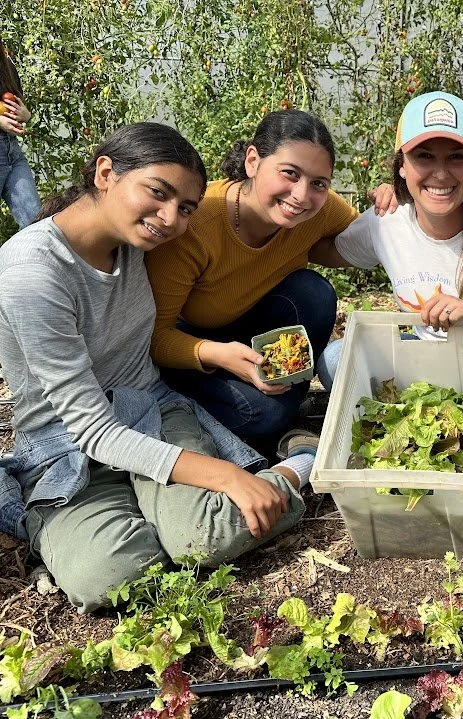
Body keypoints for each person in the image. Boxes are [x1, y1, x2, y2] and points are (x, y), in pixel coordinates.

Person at [0, 124, 315, 613]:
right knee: (107, 577)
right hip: (66, 443)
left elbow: (253, 220)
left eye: (186, 207)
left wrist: (389, 202)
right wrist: (226, 477)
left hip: (151, 411)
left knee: (210, 537)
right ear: (105, 172)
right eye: (157, 193)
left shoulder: (139, 244)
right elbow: (91, 429)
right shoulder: (32, 272)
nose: (170, 219)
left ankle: (303, 462)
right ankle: (113, 523)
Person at [315, 91, 463, 439]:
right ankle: (448, 425)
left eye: (457, 157)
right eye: (424, 156)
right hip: (417, 359)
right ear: (402, 165)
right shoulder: (386, 222)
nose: (441, 173)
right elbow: (323, 250)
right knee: (334, 361)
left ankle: (438, 426)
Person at [146, 110, 381, 442]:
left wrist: (388, 205)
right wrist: (218, 354)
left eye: (318, 183)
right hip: (190, 347)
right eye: (289, 173)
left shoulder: (320, 208)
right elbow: (153, 338)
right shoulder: (196, 227)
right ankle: (201, 408)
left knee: (314, 292)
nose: (301, 195)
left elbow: (367, 238)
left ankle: (285, 390)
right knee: (262, 416)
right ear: (253, 161)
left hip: (248, 323)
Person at [0, 38, 42, 229]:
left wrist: (26, 115)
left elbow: (17, 106)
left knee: (35, 221)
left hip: (12, 152)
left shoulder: (7, 65)